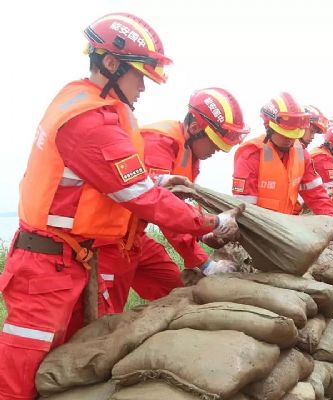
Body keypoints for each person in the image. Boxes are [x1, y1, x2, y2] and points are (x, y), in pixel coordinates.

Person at [0, 14, 240, 400]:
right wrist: (210, 223)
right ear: (111, 64)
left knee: (67, 363)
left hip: (70, 259)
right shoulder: (91, 120)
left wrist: (159, 182)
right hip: (47, 266)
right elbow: (139, 197)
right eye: (139, 75)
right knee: (23, 372)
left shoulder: (95, 107)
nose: (143, 86)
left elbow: (119, 179)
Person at [98, 87, 249, 312]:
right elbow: (162, 210)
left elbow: (180, 206)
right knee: (106, 313)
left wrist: (202, 233)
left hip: (135, 239)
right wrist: (205, 262)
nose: (218, 149)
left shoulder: (188, 153)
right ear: (195, 128)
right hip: (109, 241)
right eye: (215, 142)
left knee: (175, 290)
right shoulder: (160, 143)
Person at [232, 92, 333, 216]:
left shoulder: (301, 154)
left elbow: (317, 196)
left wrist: (332, 220)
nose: (290, 140)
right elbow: (245, 209)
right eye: (285, 134)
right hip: (258, 225)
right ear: (269, 128)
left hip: (287, 223)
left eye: (294, 135)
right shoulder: (251, 154)